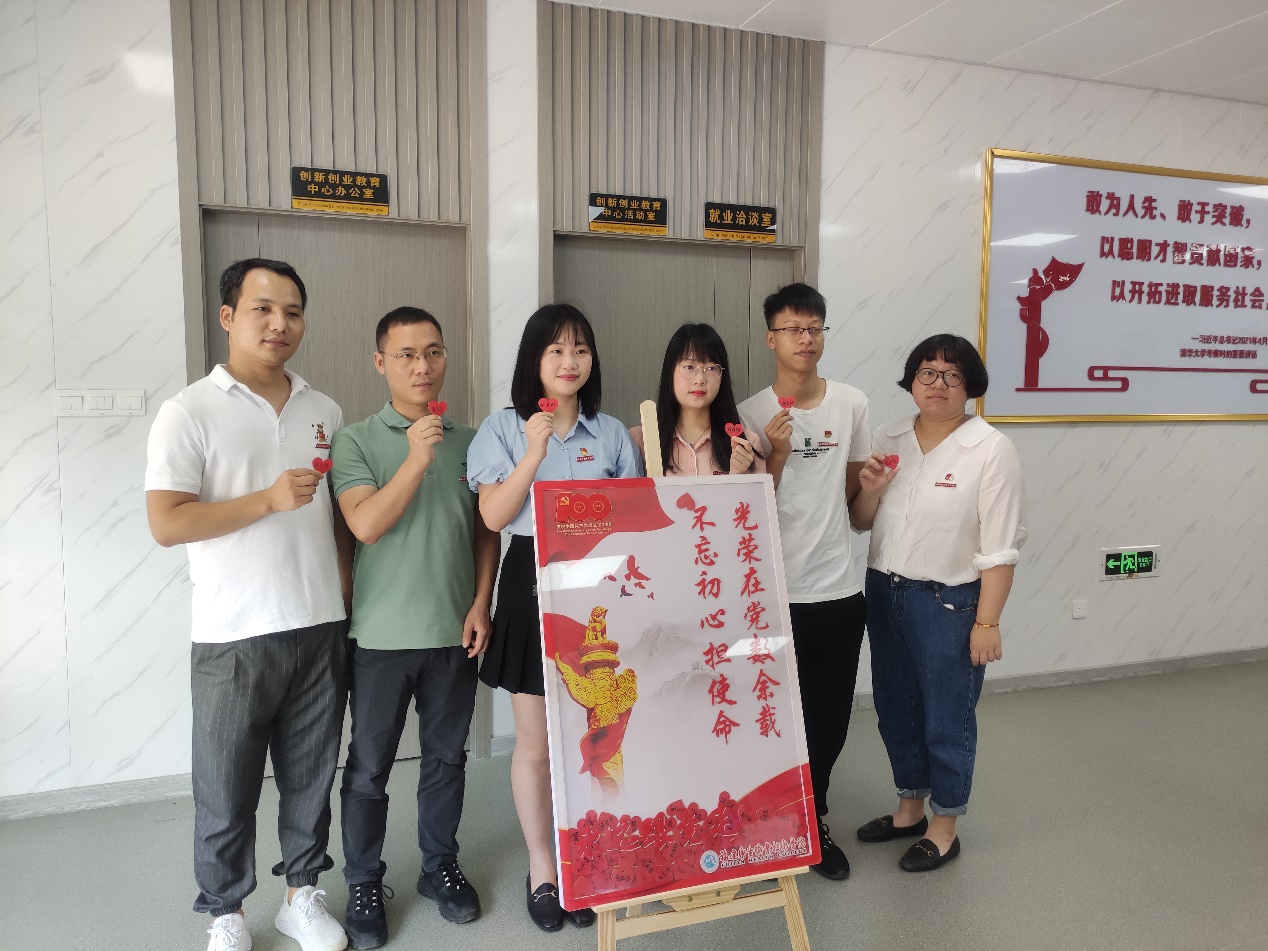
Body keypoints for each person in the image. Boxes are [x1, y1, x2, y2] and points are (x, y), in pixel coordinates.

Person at [145, 259, 352, 951]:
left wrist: (344, 590)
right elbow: (167, 521)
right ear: (228, 315)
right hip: (233, 631)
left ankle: (301, 897)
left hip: (318, 623)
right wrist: (265, 499)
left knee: (311, 776)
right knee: (225, 784)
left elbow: (334, 515)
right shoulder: (188, 411)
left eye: (292, 310)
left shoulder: (324, 410)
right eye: (263, 308)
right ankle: (226, 912)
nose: (279, 323)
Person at [466, 304, 642, 932]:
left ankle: (587, 857)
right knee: (537, 743)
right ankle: (543, 866)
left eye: (581, 350)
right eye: (556, 351)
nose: (570, 362)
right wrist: (534, 453)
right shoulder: (503, 429)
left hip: (599, 594)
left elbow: (633, 520)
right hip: (530, 578)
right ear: (534, 360)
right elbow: (493, 517)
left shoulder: (612, 434)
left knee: (595, 733)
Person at [331, 307, 499, 946]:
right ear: (382, 363)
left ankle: (439, 867)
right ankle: (363, 881)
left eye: (433, 351)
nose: (422, 366)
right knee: (368, 768)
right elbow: (366, 525)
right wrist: (415, 457)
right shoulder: (355, 440)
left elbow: (486, 531)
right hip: (379, 637)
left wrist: (481, 601)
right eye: (406, 354)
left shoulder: (474, 440)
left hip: (454, 634)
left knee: (447, 759)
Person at [848, 334, 1026, 872]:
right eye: (927, 372)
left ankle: (944, 824)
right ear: (912, 380)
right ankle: (909, 808)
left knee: (947, 716)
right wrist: (871, 487)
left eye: (952, 375)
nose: (938, 384)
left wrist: (987, 621)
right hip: (885, 591)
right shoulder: (890, 436)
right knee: (895, 708)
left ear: (970, 385)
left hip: (949, 602)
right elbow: (861, 520)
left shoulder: (990, 449)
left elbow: (1000, 548)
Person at [737, 282, 871, 881]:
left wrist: (871, 493)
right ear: (771, 339)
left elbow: (851, 499)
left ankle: (813, 820)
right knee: (769, 716)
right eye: (793, 328)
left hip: (838, 591)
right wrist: (778, 455)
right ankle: (769, 824)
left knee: (829, 719)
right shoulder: (748, 413)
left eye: (815, 327)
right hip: (769, 596)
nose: (806, 338)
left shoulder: (852, 403)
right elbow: (745, 508)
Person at [628, 323, 767, 480]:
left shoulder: (747, 444)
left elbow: (760, 496)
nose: (700, 379)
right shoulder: (639, 440)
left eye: (711, 368)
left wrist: (739, 477)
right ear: (670, 372)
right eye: (689, 367)